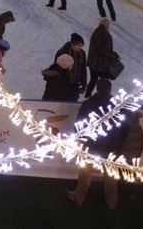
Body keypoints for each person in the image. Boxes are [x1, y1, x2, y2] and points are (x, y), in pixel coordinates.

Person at [68, 80, 128, 209]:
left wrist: (82, 139)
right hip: (111, 145)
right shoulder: (118, 105)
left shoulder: (88, 103)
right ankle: (112, 202)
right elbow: (125, 126)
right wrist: (118, 140)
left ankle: (79, 197)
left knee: (85, 172)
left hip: (90, 144)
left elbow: (79, 124)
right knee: (111, 175)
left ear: (97, 88)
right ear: (110, 89)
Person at [86, 18, 116, 98]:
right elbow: (103, 50)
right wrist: (113, 55)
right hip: (99, 64)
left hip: (94, 62)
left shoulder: (98, 32)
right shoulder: (102, 34)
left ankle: (88, 95)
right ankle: (104, 96)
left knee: (94, 80)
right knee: (104, 81)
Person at [55, 33, 89, 99]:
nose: (80, 47)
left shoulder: (82, 53)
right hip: (64, 84)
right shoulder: (62, 52)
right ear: (72, 44)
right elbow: (56, 68)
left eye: (81, 45)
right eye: (78, 45)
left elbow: (83, 70)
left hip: (75, 85)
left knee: (73, 102)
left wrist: (83, 85)